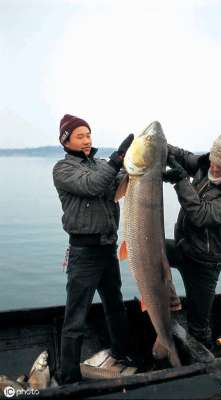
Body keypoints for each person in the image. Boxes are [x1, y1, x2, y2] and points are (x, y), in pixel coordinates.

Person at [53, 114, 134, 384]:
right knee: (75, 318)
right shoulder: (63, 170)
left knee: (115, 305)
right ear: (66, 141)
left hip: (107, 249)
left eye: (88, 134)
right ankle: (69, 378)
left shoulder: (101, 164)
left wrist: (136, 161)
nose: (87, 140)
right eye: (80, 136)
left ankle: (123, 354)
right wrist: (115, 160)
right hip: (83, 253)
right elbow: (93, 185)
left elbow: (123, 177)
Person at [163, 131, 221, 348]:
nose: (212, 168)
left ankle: (205, 367)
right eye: (213, 161)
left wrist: (181, 180)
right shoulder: (208, 163)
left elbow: (201, 214)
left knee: (198, 326)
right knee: (151, 250)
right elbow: (184, 157)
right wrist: (158, 145)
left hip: (204, 264)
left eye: (220, 168)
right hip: (184, 246)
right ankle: (171, 301)